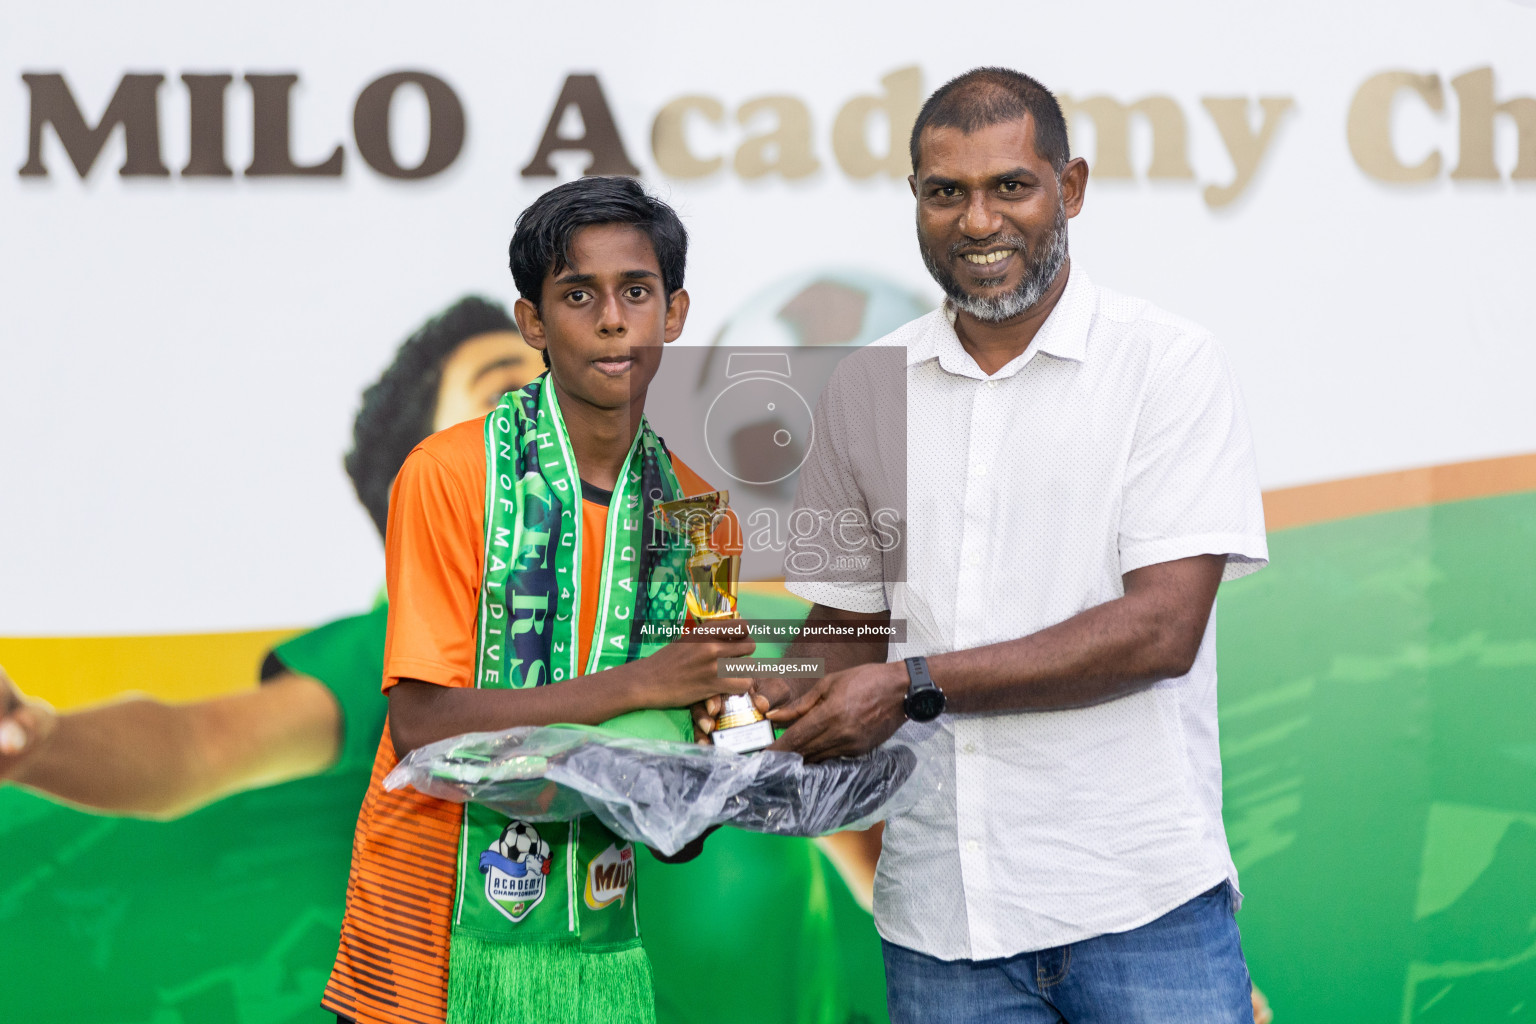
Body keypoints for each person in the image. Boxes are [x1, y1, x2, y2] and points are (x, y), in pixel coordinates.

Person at [723, 67, 1272, 1023]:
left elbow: (1161, 632)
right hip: (943, 922)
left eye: (1009, 186)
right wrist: (740, 686)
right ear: (916, 201)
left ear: (1072, 188)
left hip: (1139, 905)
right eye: (947, 192)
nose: (978, 221)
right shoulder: (863, 386)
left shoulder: (1167, 364)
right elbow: (844, 635)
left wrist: (912, 682)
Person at [322, 176, 768, 1024]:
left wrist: (729, 744)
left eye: (636, 292)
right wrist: (641, 686)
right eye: (577, 294)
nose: (611, 319)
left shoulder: (702, 517)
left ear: (673, 313)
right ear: (534, 322)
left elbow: (685, 806)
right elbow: (420, 725)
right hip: (426, 943)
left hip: (595, 946)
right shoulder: (448, 475)